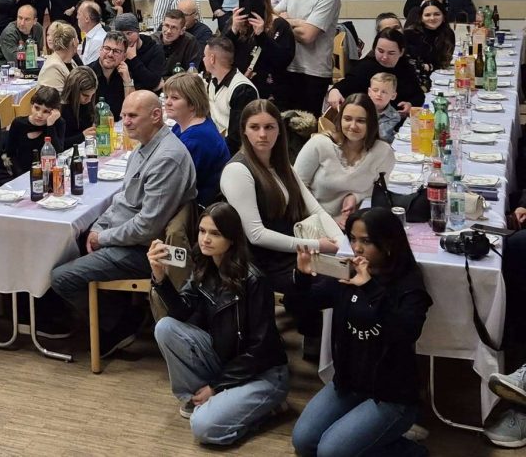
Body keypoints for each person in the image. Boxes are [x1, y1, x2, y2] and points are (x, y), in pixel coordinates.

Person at [51, 90, 197, 350]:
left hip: (146, 251)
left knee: (61, 276)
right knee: (77, 238)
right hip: (131, 238)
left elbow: (147, 227)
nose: (126, 121)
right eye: (124, 116)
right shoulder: (146, 147)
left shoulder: (166, 158)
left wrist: (102, 237)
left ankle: (117, 325)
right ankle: (112, 311)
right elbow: (122, 201)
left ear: (155, 115)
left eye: (132, 116)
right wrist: (97, 229)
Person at [291, 208, 432, 457]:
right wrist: (303, 278)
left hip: (391, 395)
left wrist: (369, 288)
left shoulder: (408, 285)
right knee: (304, 442)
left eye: (365, 241)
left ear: (388, 243)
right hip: (349, 384)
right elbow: (301, 307)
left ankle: (406, 449)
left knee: (330, 452)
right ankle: (371, 434)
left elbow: (404, 333)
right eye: (353, 239)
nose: (357, 248)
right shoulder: (349, 272)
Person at [150, 202, 289, 446]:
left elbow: (260, 350)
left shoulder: (255, 280)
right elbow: (182, 312)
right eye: (202, 231)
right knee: (165, 327)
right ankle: (204, 399)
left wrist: (216, 387)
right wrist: (160, 278)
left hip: (262, 373)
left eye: (215, 233)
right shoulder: (205, 266)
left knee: (204, 428)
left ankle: (267, 408)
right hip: (225, 360)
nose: (205, 239)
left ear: (232, 238)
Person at [218, 99, 344, 353]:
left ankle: (324, 337)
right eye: (255, 127)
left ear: (279, 130)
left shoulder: (281, 164)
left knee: (349, 273)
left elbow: (315, 208)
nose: (262, 134)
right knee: (333, 284)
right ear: (244, 130)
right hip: (263, 260)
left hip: (292, 251)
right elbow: (256, 235)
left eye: (269, 127)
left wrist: (341, 243)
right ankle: (317, 335)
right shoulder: (238, 171)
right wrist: (316, 245)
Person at [294, 94, 395, 222]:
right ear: (340, 119)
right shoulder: (319, 144)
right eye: (347, 119)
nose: (352, 126)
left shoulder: (383, 152)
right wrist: (327, 220)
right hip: (313, 221)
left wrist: (356, 197)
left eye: (360, 121)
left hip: (356, 223)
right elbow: (296, 189)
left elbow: (380, 192)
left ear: (371, 123)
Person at [277, 0, 341, 116]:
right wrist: (297, 22)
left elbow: (307, 35)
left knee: (306, 128)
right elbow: (272, 17)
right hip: (289, 66)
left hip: (313, 72)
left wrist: (287, 20)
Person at [224, 0, 295, 105]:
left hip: (269, 90)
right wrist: (233, 31)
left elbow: (283, 60)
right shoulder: (234, 22)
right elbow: (220, 53)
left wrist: (261, 35)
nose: (244, 2)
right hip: (239, 87)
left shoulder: (278, 24)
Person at [164, 72, 231, 206]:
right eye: (166, 97)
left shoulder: (196, 139)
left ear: (193, 104)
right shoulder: (183, 124)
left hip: (197, 208)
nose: (167, 102)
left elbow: (174, 186)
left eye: (175, 98)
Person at [327, 27, 423, 114]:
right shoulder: (365, 67)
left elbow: (418, 94)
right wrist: (335, 90)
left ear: (401, 52)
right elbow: (347, 84)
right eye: (380, 51)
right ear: (374, 48)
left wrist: (410, 104)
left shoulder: (406, 68)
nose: (384, 57)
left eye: (391, 53)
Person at [203, 36, 258, 153]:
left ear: (212, 59)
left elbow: (237, 138)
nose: (203, 60)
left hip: (234, 153)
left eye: (205, 56)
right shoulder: (213, 80)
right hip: (215, 141)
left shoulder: (242, 90)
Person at [3, 86, 65, 175]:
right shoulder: (18, 123)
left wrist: (50, 125)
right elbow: (10, 154)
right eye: (37, 108)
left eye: (46, 111)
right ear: (32, 105)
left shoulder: (58, 124)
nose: (39, 115)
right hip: (22, 173)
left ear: (54, 112)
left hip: (48, 173)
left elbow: (58, 153)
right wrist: (20, 175)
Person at [403, 0, 454, 91]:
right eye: (427, 15)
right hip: (415, 80)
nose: (432, 18)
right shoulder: (410, 34)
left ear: (443, 16)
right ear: (421, 17)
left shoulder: (448, 34)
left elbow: (445, 61)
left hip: (439, 77)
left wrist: (430, 66)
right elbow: (407, 62)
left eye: (437, 14)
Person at [112, 13, 164, 94]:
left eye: (129, 33)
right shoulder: (116, 50)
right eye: (122, 34)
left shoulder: (155, 49)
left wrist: (133, 59)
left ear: (138, 31)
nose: (126, 38)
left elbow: (153, 82)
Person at [90, 31, 133, 121]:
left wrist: (127, 82)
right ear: (100, 49)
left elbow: (132, 108)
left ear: (124, 57)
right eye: (107, 48)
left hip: (117, 128)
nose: (110, 54)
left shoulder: (124, 74)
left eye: (116, 51)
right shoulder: (88, 73)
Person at [58, 66, 98, 149]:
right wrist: (83, 136)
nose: (89, 100)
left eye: (92, 95)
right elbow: (59, 144)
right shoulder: (61, 110)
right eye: (85, 95)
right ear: (74, 91)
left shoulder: (87, 104)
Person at [158, 9, 200, 79]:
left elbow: (191, 74)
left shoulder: (190, 42)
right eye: (166, 25)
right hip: (154, 85)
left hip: (179, 85)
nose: (168, 31)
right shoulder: (152, 40)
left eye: (174, 27)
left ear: (182, 31)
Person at [37, 21, 79, 90]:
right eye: (77, 38)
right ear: (74, 42)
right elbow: (54, 99)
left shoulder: (71, 61)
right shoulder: (52, 68)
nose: (78, 42)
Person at [366, 73, 402, 143]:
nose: (379, 94)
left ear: (393, 96)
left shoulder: (394, 116)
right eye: (375, 90)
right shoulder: (361, 109)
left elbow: (381, 136)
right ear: (369, 92)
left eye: (384, 92)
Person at [77, 1, 107, 66]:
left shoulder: (98, 40)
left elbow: (90, 70)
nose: (77, 17)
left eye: (79, 14)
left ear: (87, 19)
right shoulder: (91, 36)